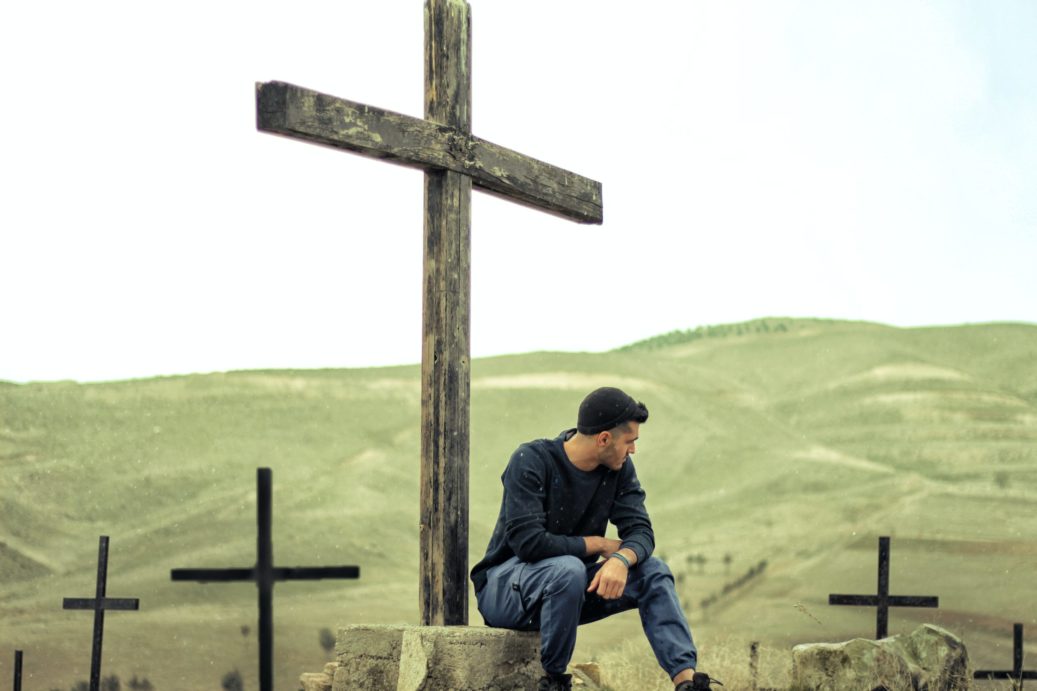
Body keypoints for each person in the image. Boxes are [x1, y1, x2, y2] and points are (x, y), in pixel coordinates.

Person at [470, 387, 719, 691]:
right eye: (630, 442)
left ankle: (687, 682)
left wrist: (621, 559)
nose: (633, 451)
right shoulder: (532, 459)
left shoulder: (619, 470)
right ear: (604, 439)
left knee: (654, 571)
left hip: (567, 590)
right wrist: (600, 545)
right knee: (568, 569)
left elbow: (641, 532)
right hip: (506, 590)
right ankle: (554, 680)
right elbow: (529, 543)